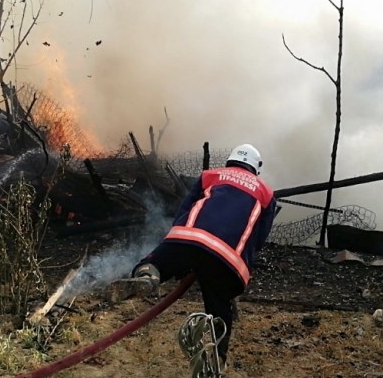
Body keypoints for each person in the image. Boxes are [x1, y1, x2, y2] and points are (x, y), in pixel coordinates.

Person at [107, 144, 277, 365]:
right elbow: (260, 237)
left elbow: (184, 209)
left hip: (190, 238)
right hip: (228, 257)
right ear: (255, 167)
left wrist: (175, 243)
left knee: (157, 262)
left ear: (230, 161)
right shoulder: (266, 193)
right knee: (219, 305)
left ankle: (148, 276)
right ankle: (218, 356)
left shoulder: (210, 175)